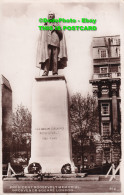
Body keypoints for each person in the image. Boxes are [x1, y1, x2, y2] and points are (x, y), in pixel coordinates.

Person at [36, 11, 67, 76]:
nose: (50, 16)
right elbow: (42, 34)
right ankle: (45, 71)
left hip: (55, 42)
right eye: (49, 15)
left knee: (55, 58)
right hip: (47, 43)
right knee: (47, 57)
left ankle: (55, 72)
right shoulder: (45, 24)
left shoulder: (57, 24)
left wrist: (56, 27)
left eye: (51, 15)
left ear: (54, 16)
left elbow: (61, 33)